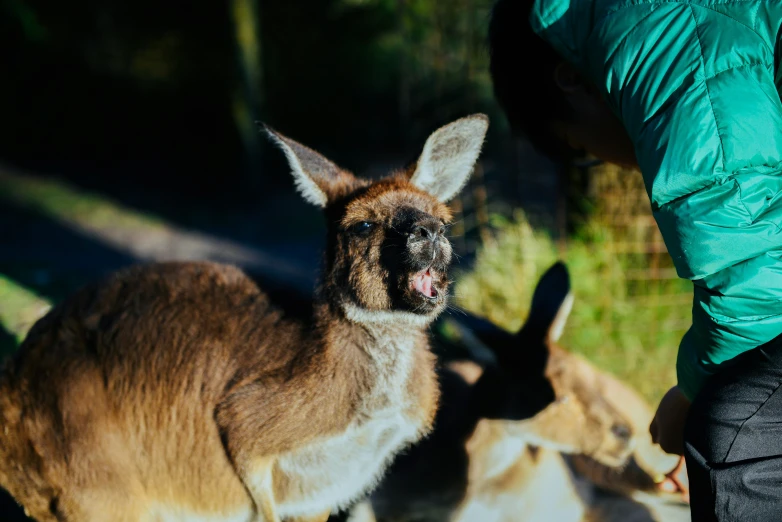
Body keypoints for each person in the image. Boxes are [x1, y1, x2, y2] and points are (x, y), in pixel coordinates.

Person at [488, 0, 782, 519]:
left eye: (578, 146)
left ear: (570, 80)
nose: (606, 161)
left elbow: (752, 285)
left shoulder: (671, 47)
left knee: (735, 425)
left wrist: (690, 399)